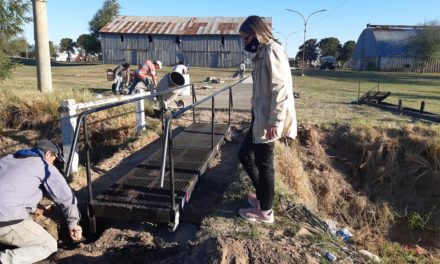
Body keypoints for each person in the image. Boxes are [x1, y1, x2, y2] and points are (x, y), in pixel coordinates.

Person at [237, 16, 297, 224]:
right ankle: (263, 198)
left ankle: (266, 212)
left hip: (269, 119)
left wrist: (275, 121)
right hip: (260, 115)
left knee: (265, 164)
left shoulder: (272, 50)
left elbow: (280, 89)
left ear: (257, 33)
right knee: (244, 154)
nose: (245, 43)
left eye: (246, 39)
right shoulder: (262, 52)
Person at [0, 140, 82, 263]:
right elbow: (66, 198)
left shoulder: (9, 159)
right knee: (49, 245)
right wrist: (73, 223)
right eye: (54, 159)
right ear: (48, 154)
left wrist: (35, 208)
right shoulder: (44, 165)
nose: (54, 163)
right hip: (4, 220)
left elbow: (11, 189)